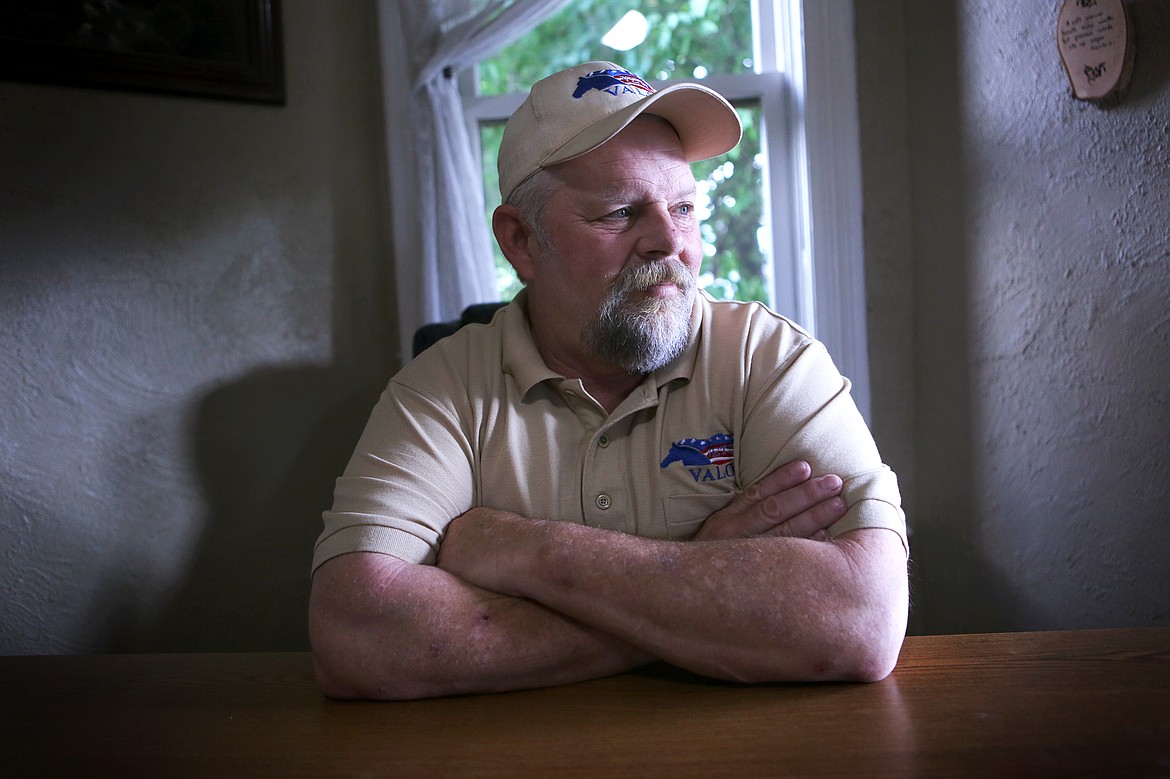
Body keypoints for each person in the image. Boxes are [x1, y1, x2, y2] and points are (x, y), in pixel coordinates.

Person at [308, 61, 909, 700]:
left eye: (683, 207)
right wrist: (703, 578)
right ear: (520, 241)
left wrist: (526, 551)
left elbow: (861, 618)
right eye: (620, 214)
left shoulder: (771, 360)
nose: (670, 243)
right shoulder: (441, 389)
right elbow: (355, 635)